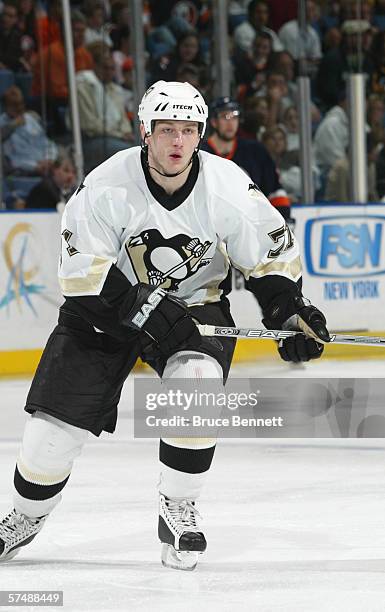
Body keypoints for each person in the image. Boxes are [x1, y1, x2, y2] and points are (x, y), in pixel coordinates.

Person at [0, 81, 330, 570]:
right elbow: (82, 276)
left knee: (195, 385)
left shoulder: (228, 186)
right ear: (145, 132)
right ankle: (23, 517)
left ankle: (177, 507)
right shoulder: (107, 184)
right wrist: (153, 314)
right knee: (50, 440)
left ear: (200, 135)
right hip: (104, 314)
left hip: (196, 308)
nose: (178, 141)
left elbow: (269, 261)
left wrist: (289, 312)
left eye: (189, 130)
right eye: (167, 129)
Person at [201, 96, 291, 218]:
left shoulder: (255, 151)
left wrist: (283, 220)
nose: (230, 122)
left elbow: (275, 191)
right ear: (213, 122)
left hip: (250, 224)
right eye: (225, 117)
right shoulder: (200, 153)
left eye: (235, 116)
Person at [76, 43, 134, 173]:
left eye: (112, 69)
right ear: (95, 67)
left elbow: (123, 118)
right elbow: (90, 125)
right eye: (105, 68)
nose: (109, 72)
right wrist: (119, 135)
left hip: (116, 136)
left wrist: (126, 131)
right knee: (132, 153)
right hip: (92, 140)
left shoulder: (115, 89)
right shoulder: (83, 86)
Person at [0, 85, 57, 176]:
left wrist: (49, 159)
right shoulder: (3, 125)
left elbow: (47, 143)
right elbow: (12, 159)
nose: (19, 108)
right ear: (6, 106)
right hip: (24, 171)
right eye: (15, 105)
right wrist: (35, 166)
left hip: (46, 165)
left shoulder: (31, 119)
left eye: (21, 103)